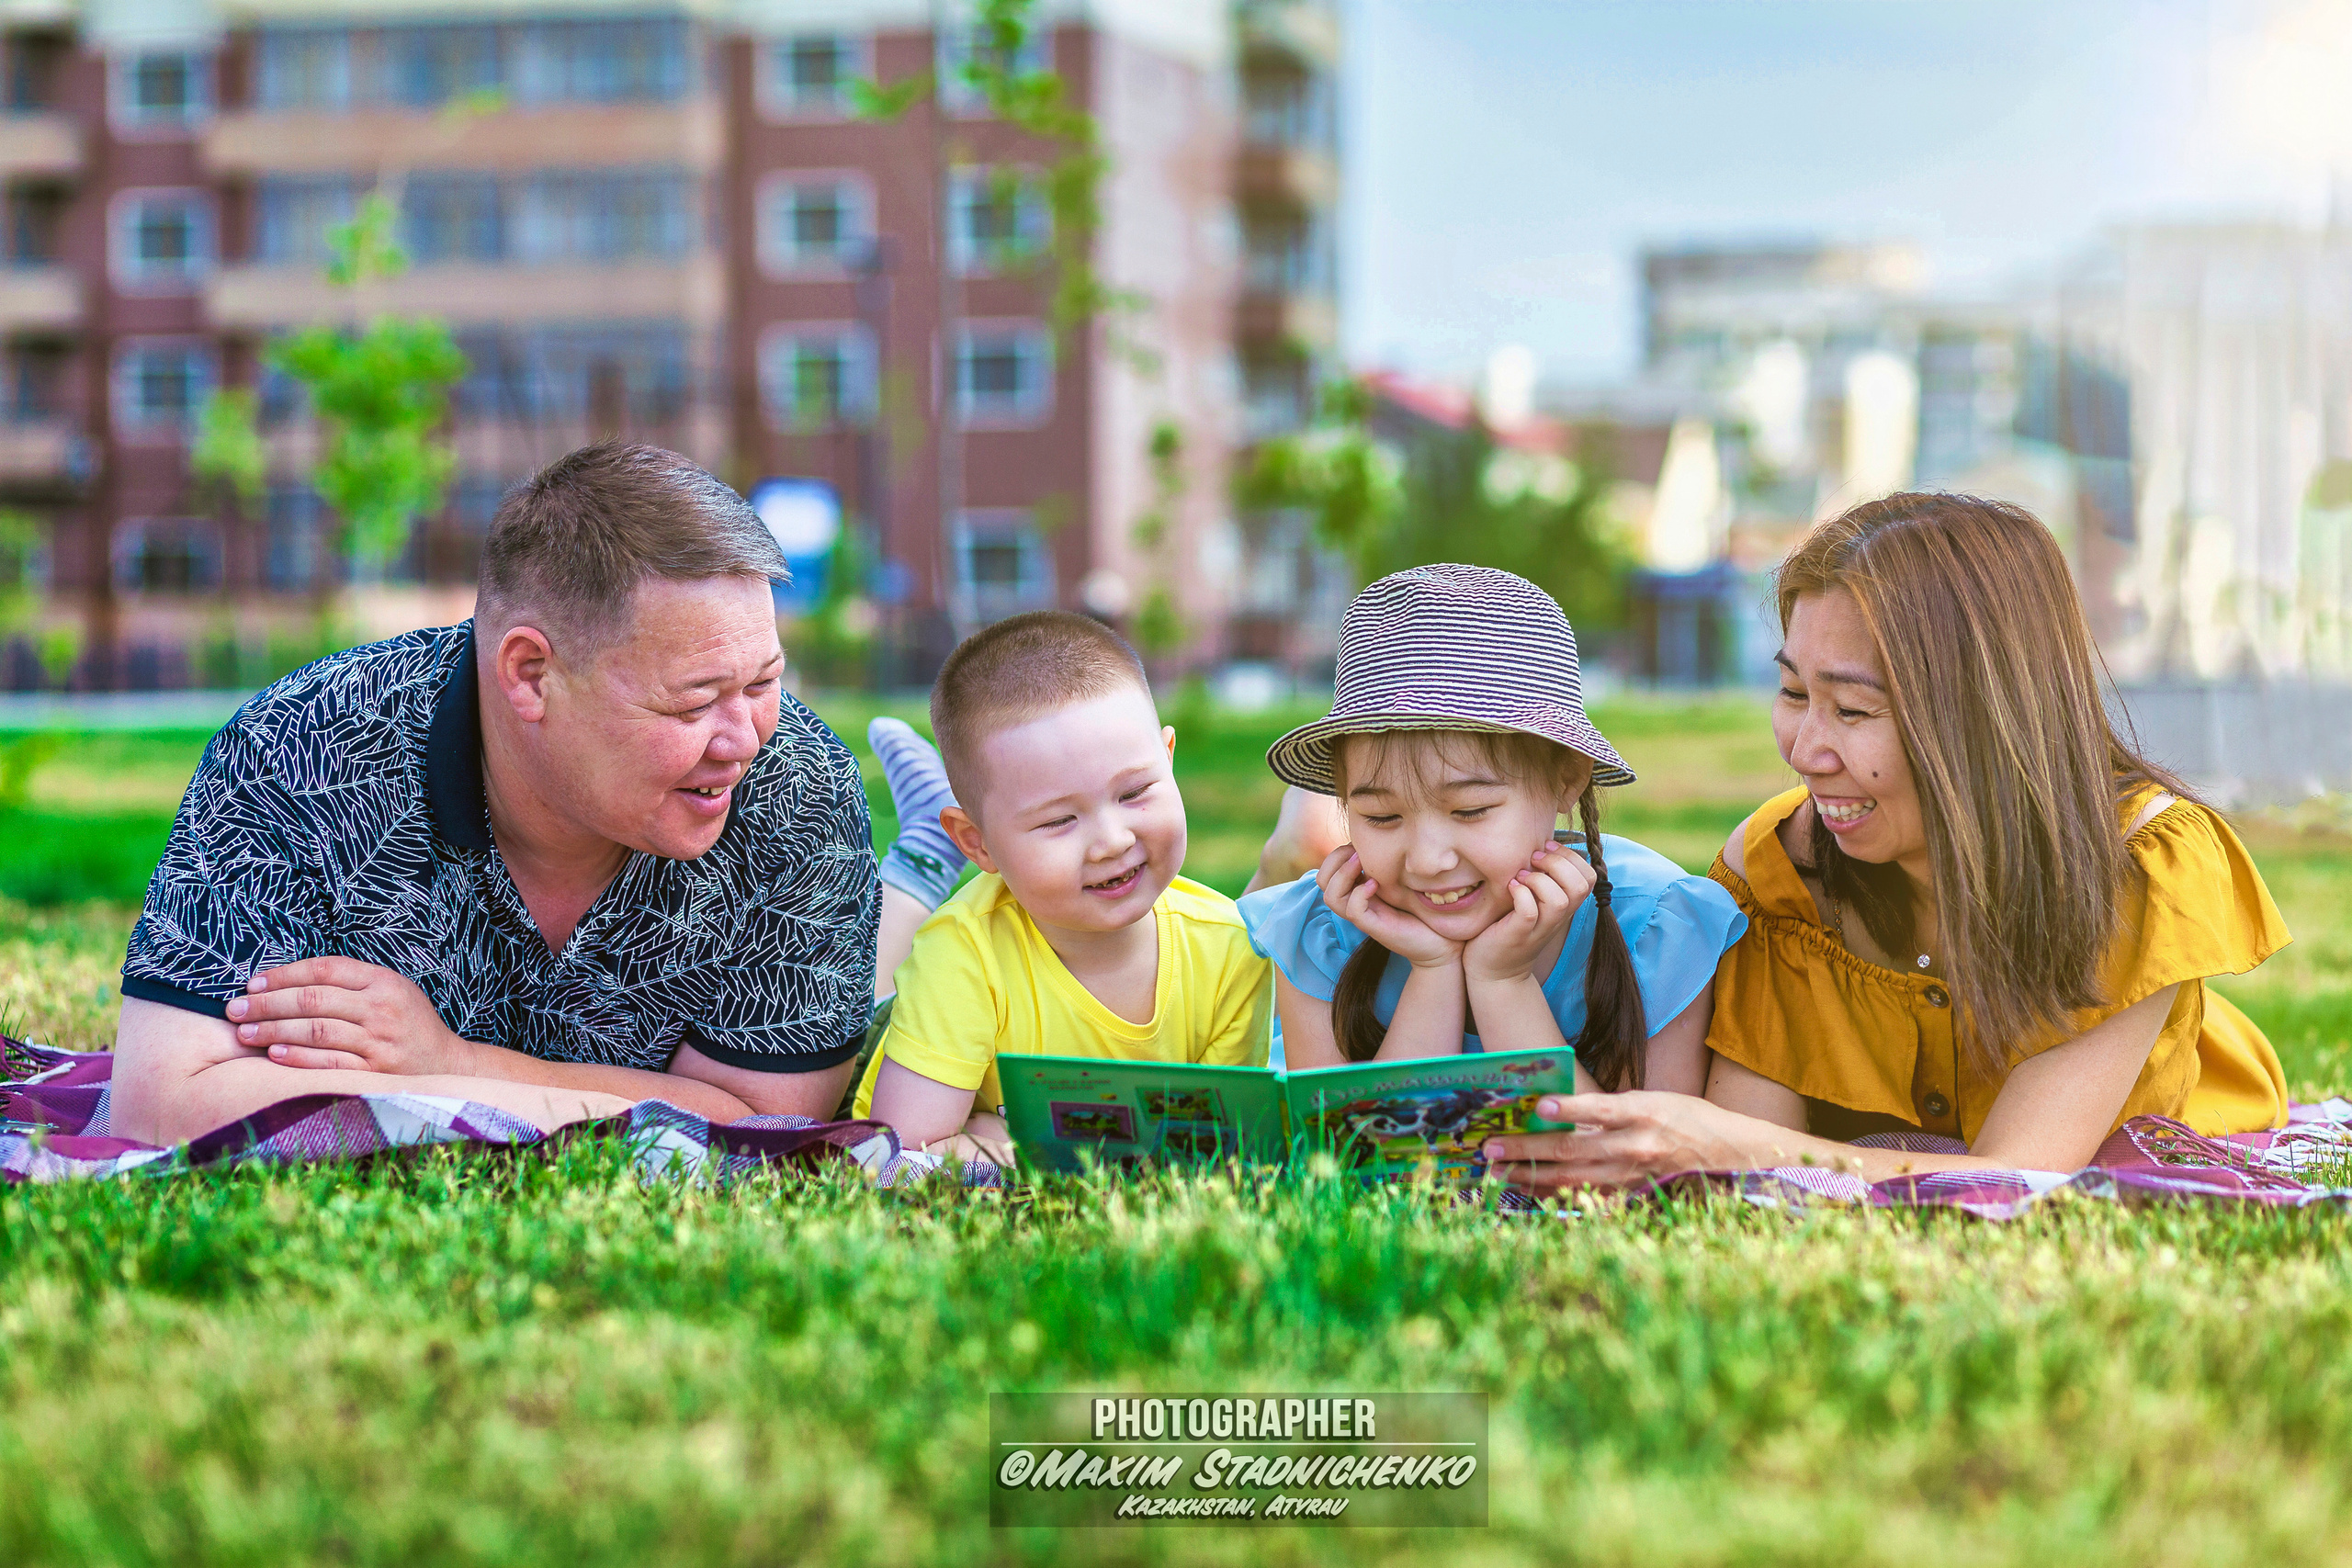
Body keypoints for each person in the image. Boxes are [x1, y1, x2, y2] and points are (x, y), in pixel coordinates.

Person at [1486, 492, 2293, 1190]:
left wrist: (1736, 1146)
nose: (1804, 750)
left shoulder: (2138, 864)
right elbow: (1731, 1166)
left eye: (1853, 710)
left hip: (2189, 1135)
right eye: (1794, 691)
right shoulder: (1776, 876)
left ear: (1983, 718)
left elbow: (2020, 1177)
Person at [108, 443, 880, 1145]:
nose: (745, 736)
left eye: (765, 681)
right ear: (530, 674)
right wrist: (637, 1101)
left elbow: (766, 1129)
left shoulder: (801, 791)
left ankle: (923, 869)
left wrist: (443, 1063)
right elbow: (161, 1103)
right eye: (694, 701)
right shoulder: (298, 750)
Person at [1237, 564, 1747, 1090]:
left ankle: (1300, 836)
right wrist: (1433, 974)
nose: (1428, 860)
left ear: (1566, 780)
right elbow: (1354, 1162)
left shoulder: (1656, 931)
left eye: (1470, 810)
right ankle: (1293, 847)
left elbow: (1634, 1164)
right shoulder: (1322, 933)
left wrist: (1502, 981)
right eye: (1381, 816)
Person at [849, 612, 1271, 1162]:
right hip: (894, 1051)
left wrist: (1022, 1145)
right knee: (862, 1004)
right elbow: (900, 1152)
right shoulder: (965, 954)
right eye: (1057, 822)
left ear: (1168, 759)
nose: (1112, 842)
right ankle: (923, 858)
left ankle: (928, 846)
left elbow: (1222, 1152)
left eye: (1136, 791)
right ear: (977, 844)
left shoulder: (1232, 948)